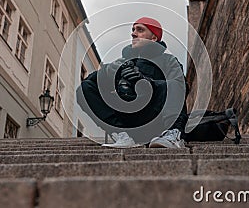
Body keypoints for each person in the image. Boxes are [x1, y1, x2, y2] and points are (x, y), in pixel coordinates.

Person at [76, 17, 188, 148]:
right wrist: (109, 72)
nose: (133, 33)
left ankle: (173, 134)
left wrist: (148, 83)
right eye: (133, 30)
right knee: (85, 88)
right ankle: (121, 135)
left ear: (154, 38)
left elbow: (180, 88)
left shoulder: (169, 61)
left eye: (140, 30)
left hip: (155, 119)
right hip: (127, 120)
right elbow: (89, 84)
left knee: (175, 83)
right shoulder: (122, 62)